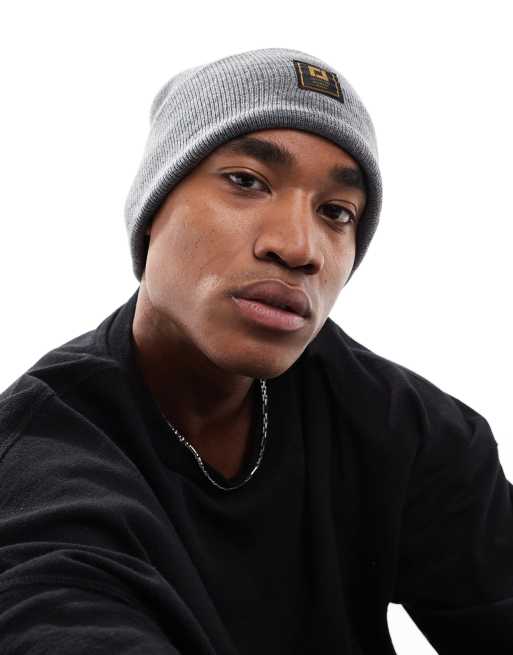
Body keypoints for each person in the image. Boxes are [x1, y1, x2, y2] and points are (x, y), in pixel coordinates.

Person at [0, 47, 511, 655]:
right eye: (246, 181)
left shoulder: (405, 427)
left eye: (336, 212)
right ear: (153, 210)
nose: (299, 247)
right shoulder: (37, 466)